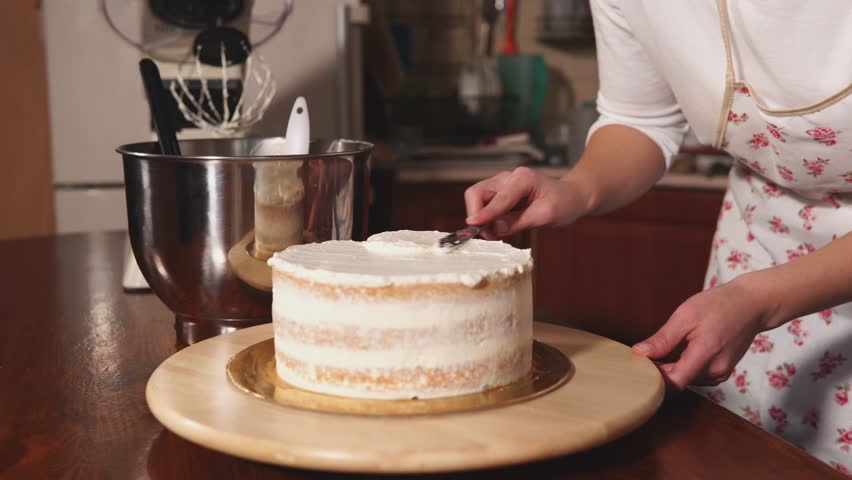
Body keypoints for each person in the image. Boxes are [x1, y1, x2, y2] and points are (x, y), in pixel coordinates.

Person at [464, 0, 852, 473]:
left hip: (760, 293)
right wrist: (575, 190)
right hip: (756, 256)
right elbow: (639, 118)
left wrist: (762, 299)